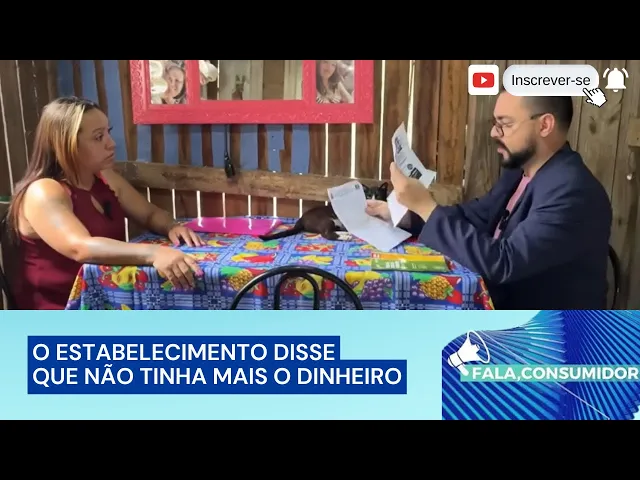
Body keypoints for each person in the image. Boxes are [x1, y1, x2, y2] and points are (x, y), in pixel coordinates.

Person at [367, 92, 613, 310]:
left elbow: (504, 263)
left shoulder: (572, 191)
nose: (494, 133)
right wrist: (408, 214)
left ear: (544, 125)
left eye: (505, 124)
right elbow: (475, 216)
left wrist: (426, 206)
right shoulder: (520, 172)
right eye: (495, 124)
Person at [3, 96, 205, 310]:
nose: (111, 143)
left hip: (109, 299)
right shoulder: (43, 191)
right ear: (66, 144)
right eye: (98, 137)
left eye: (108, 132)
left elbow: (149, 214)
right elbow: (80, 247)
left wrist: (171, 226)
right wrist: (154, 253)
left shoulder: (104, 177)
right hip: (60, 311)